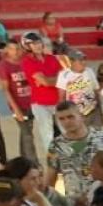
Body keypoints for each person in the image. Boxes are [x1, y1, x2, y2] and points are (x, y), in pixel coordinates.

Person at [47, 101, 103, 203]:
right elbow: (50, 180)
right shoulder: (56, 145)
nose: (66, 122)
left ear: (81, 116)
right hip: (75, 204)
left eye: (70, 117)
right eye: (61, 119)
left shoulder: (101, 137)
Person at [20, 32, 62, 164]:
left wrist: (49, 80)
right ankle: (53, 163)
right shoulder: (27, 62)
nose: (37, 46)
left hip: (58, 101)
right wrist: (55, 80)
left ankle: (66, 159)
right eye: (33, 44)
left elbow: (63, 79)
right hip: (40, 104)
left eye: (38, 42)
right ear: (27, 46)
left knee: (64, 131)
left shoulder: (52, 58)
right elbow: (46, 82)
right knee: (47, 135)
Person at [0, 41, 37, 162]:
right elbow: (5, 89)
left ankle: (24, 159)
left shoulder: (26, 60)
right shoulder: (3, 65)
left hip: (32, 102)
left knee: (26, 132)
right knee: (28, 135)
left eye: (18, 49)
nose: (16, 52)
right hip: (18, 105)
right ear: (7, 50)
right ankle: (34, 164)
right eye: (13, 49)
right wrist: (16, 109)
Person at [55, 49, 101, 127]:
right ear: (72, 62)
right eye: (80, 60)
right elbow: (61, 97)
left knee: (97, 134)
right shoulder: (64, 75)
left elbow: (96, 90)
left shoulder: (89, 71)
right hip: (75, 114)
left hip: (92, 111)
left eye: (84, 60)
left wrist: (99, 108)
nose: (83, 62)